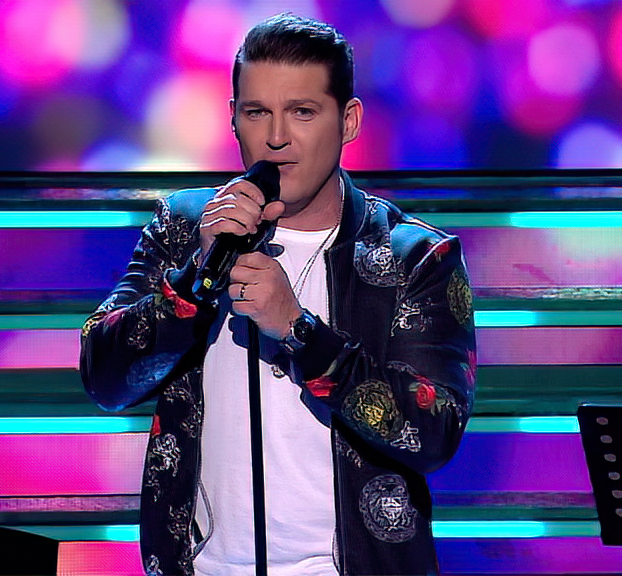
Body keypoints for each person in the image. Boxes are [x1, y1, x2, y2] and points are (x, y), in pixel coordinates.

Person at [80, 13, 476, 576]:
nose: (276, 137)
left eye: (303, 112)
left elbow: (432, 434)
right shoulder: (185, 227)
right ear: (233, 119)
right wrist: (193, 282)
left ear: (349, 121)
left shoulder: (416, 257)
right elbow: (104, 378)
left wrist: (299, 330)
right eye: (256, 112)